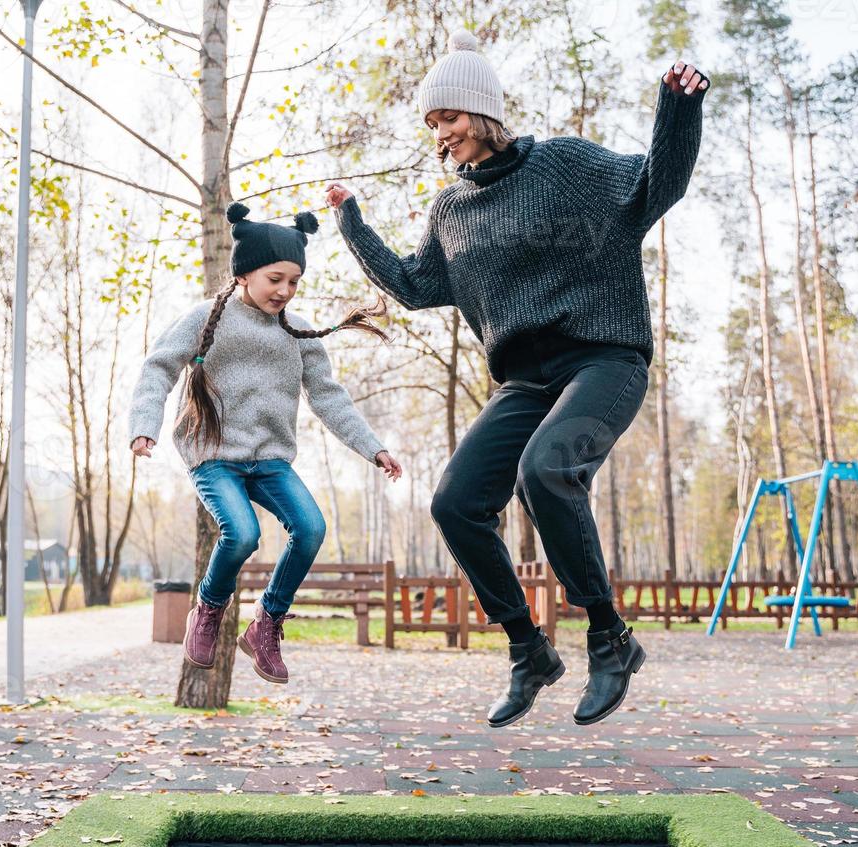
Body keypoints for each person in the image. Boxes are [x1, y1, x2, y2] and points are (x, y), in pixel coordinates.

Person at [325, 29, 708, 727]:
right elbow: (413, 286)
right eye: (432, 124)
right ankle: (529, 651)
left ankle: (609, 639)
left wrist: (677, 108)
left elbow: (660, 181)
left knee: (546, 472)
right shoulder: (452, 210)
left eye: (450, 117)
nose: (441, 135)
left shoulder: (568, 167)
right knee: (455, 503)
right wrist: (352, 222)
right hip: (524, 384)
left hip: (604, 360)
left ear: (485, 110)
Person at [127, 202, 403, 684]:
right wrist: (144, 424)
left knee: (311, 529)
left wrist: (373, 447)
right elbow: (159, 366)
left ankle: (266, 623)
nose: (285, 290)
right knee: (243, 533)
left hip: (271, 459)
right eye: (276, 278)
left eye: (294, 281)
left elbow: (329, 397)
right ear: (244, 274)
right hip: (214, 457)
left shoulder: (297, 332)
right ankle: (209, 611)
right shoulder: (205, 318)